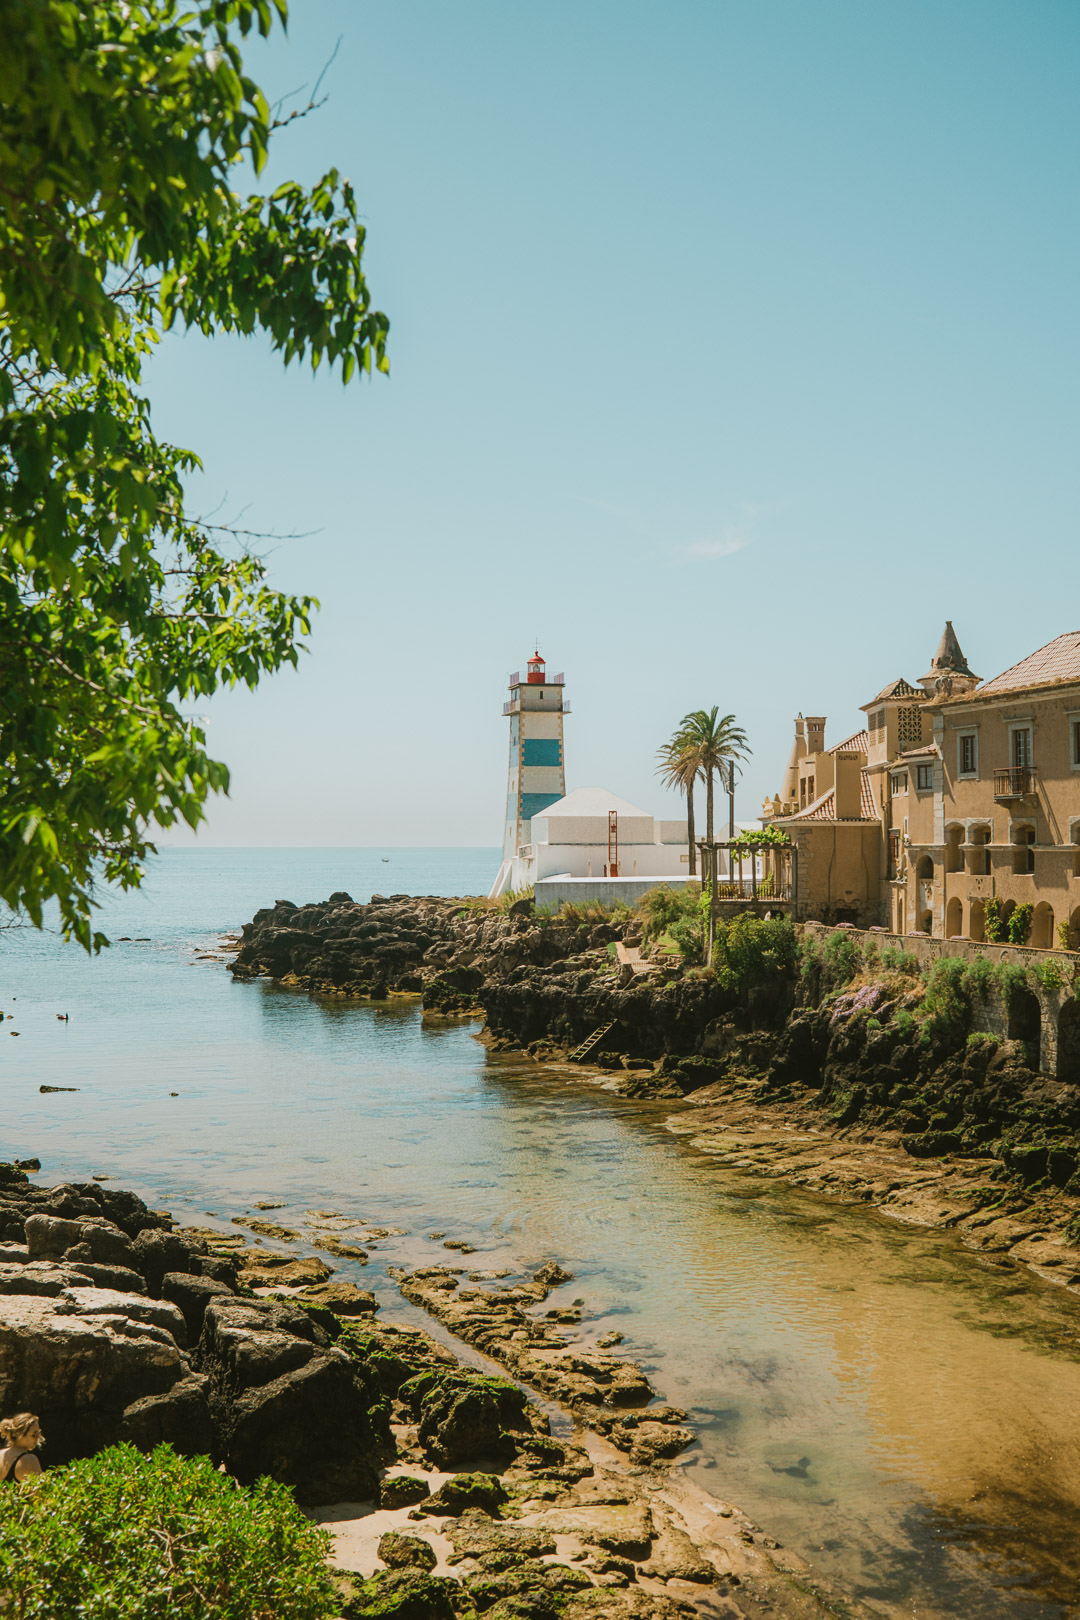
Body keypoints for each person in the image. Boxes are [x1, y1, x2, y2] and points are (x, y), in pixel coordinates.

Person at [0, 1413, 44, 1483]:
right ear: (20, 1435)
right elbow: (41, 1491)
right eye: (34, 1435)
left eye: (39, 1433)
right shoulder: (29, 1460)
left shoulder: (1, 1454)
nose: (38, 1437)